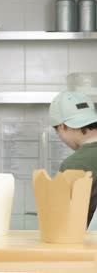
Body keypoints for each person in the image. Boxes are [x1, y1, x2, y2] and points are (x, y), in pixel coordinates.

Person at [49, 91, 97, 227]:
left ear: (63, 126)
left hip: (89, 246)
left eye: (58, 134)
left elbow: (63, 219)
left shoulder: (74, 164)